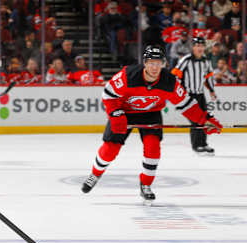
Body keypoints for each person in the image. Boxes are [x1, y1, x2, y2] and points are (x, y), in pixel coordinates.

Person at [81, 45, 222, 203]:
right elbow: (108, 94)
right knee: (110, 149)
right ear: (145, 63)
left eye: (158, 63)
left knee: (153, 148)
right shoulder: (129, 75)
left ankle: (146, 185)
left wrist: (204, 120)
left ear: (164, 64)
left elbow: (187, 104)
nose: (155, 67)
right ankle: (95, 174)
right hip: (124, 112)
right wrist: (115, 114)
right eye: (151, 63)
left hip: (150, 113)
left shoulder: (169, 81)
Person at [172, 37, 218, 155]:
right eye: (197, 46)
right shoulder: (185, 60)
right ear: (193, 47)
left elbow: (209, 76)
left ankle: (203, 143)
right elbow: (175, 76)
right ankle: (196, 145)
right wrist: (179, 93)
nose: (200, 48)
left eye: (202, 46)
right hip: (189, 95)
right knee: (195, 120)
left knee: (204, 119)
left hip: (200, 94)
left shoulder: (205, 61)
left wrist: (212, 91)